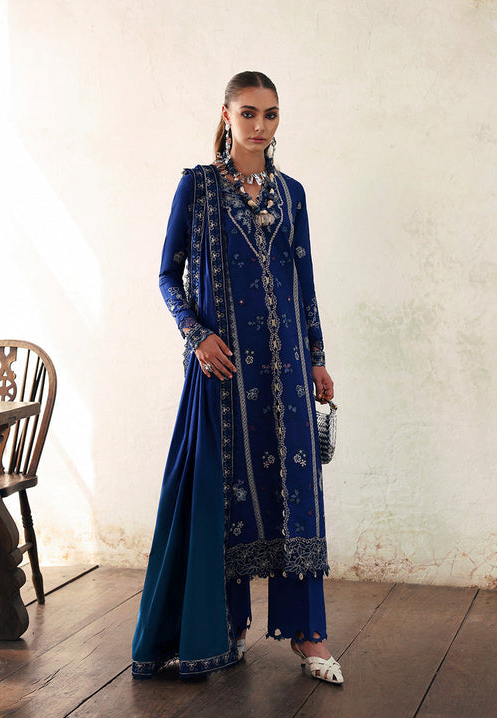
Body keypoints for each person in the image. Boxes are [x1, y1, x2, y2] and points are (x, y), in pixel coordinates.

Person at [132, 71, 342, 685]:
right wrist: (196, 335)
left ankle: (309, 635)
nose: (259, 125)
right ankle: (227, 626)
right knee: (225, 497)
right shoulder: (197, 187)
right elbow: (168, 275)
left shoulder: (292, 193)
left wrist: (317, 357)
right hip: (222, 370)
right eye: (248, 113)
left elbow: (303, 280)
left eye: (270, 114)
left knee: (296, 498)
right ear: (226, 115)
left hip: (287, 370)